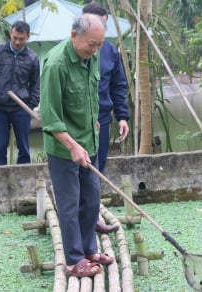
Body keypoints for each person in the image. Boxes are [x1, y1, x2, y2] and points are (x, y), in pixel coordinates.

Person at [39, 13, 114, 278]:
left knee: (91, 198)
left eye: (99, 44)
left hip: (88, 141)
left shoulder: (90, 57)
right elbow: (49, 116)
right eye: (90, 44)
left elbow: (91, 93)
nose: (95, 50)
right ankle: (73, 260)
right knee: (70, 203)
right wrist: (71, 145)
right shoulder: (55, 65)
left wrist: (93, 122)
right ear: (74, 35)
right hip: (63, 148)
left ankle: (88, 249)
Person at [82, 2, 130, 235]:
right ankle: (78, 221)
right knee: (78, 169)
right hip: (77, 121)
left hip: (102, 118)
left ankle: (93, 218)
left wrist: (122, 116)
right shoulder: (73, 49)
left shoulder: (110, 51)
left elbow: (118, 85)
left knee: (97, 170)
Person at [0, 21, 40, 165]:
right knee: (0, 147)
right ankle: (2, 179)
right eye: (14, 38)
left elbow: (36, 86)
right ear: (10, 35)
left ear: (28, 37)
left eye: (21, 39)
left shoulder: (32, 58)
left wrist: (30, 106)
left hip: (21, 108)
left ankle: (23, 180)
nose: (17, 42)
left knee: (24, 148)